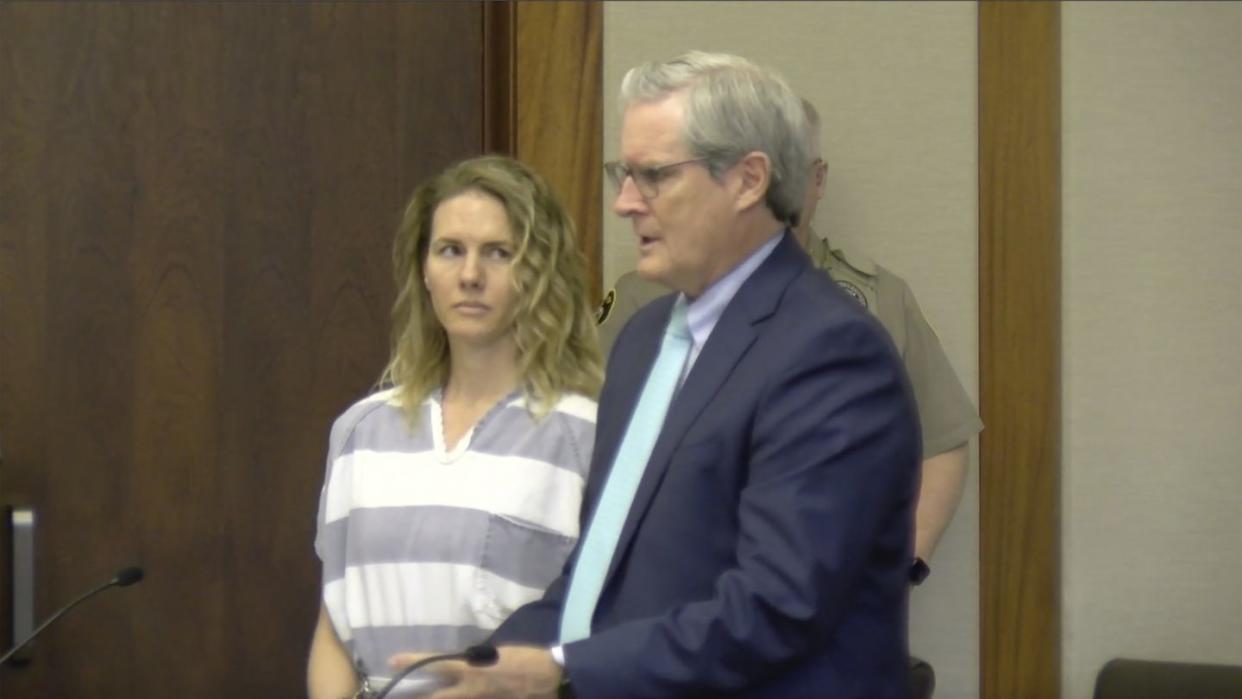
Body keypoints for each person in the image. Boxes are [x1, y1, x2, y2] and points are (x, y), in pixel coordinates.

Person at [398, 51, 921, 698]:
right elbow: (596, 576)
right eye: (624, 173)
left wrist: (563, 671)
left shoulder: (830, 353)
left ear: (748, 179)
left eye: (653, 176)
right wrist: (471, 671)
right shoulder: (645, 341)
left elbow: (777, 605)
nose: (623, 202)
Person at [598, 98, 983, 574]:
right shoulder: (646, 300)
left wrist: (900, 566)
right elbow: (581, 441)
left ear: (816, 180)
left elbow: (941, 440)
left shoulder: (877, 301)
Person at [307, 155, 603, 698]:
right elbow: (333, 625)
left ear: (538, 273)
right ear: (424, 269)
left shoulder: (585, 435)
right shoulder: (360, 431)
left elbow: (602, 629)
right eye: (450, 250)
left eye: (498, 253)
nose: (470, 275)